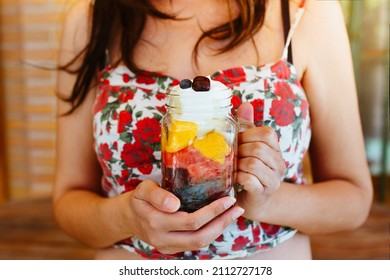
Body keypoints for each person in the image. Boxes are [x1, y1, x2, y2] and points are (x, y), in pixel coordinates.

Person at [53, 0, 373, 260]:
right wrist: (125, 217)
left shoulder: (307, 12)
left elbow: (353, 199)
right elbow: (68, 200)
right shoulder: (91, 17)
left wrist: (267, 201)